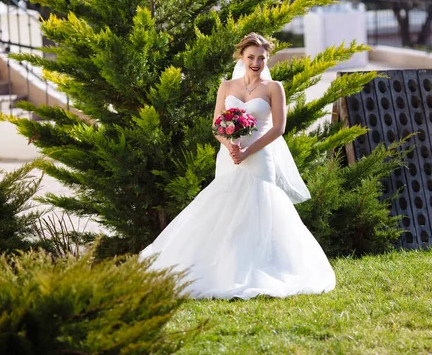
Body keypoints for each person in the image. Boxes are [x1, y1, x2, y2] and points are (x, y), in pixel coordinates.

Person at [141, 33, 336, 299]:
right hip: (229, 156)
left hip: (259, 156)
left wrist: (247, 151)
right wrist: (230, 145)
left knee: (261, 206)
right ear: (241, 57)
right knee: (225, 208)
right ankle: (221, 269)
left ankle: (264, 268)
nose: (255, 62)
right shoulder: (227, 86)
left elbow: (278, 128)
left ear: (267, 59)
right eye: (251, 57)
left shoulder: (273, 87)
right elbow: (216, 125)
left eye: (261, 58)